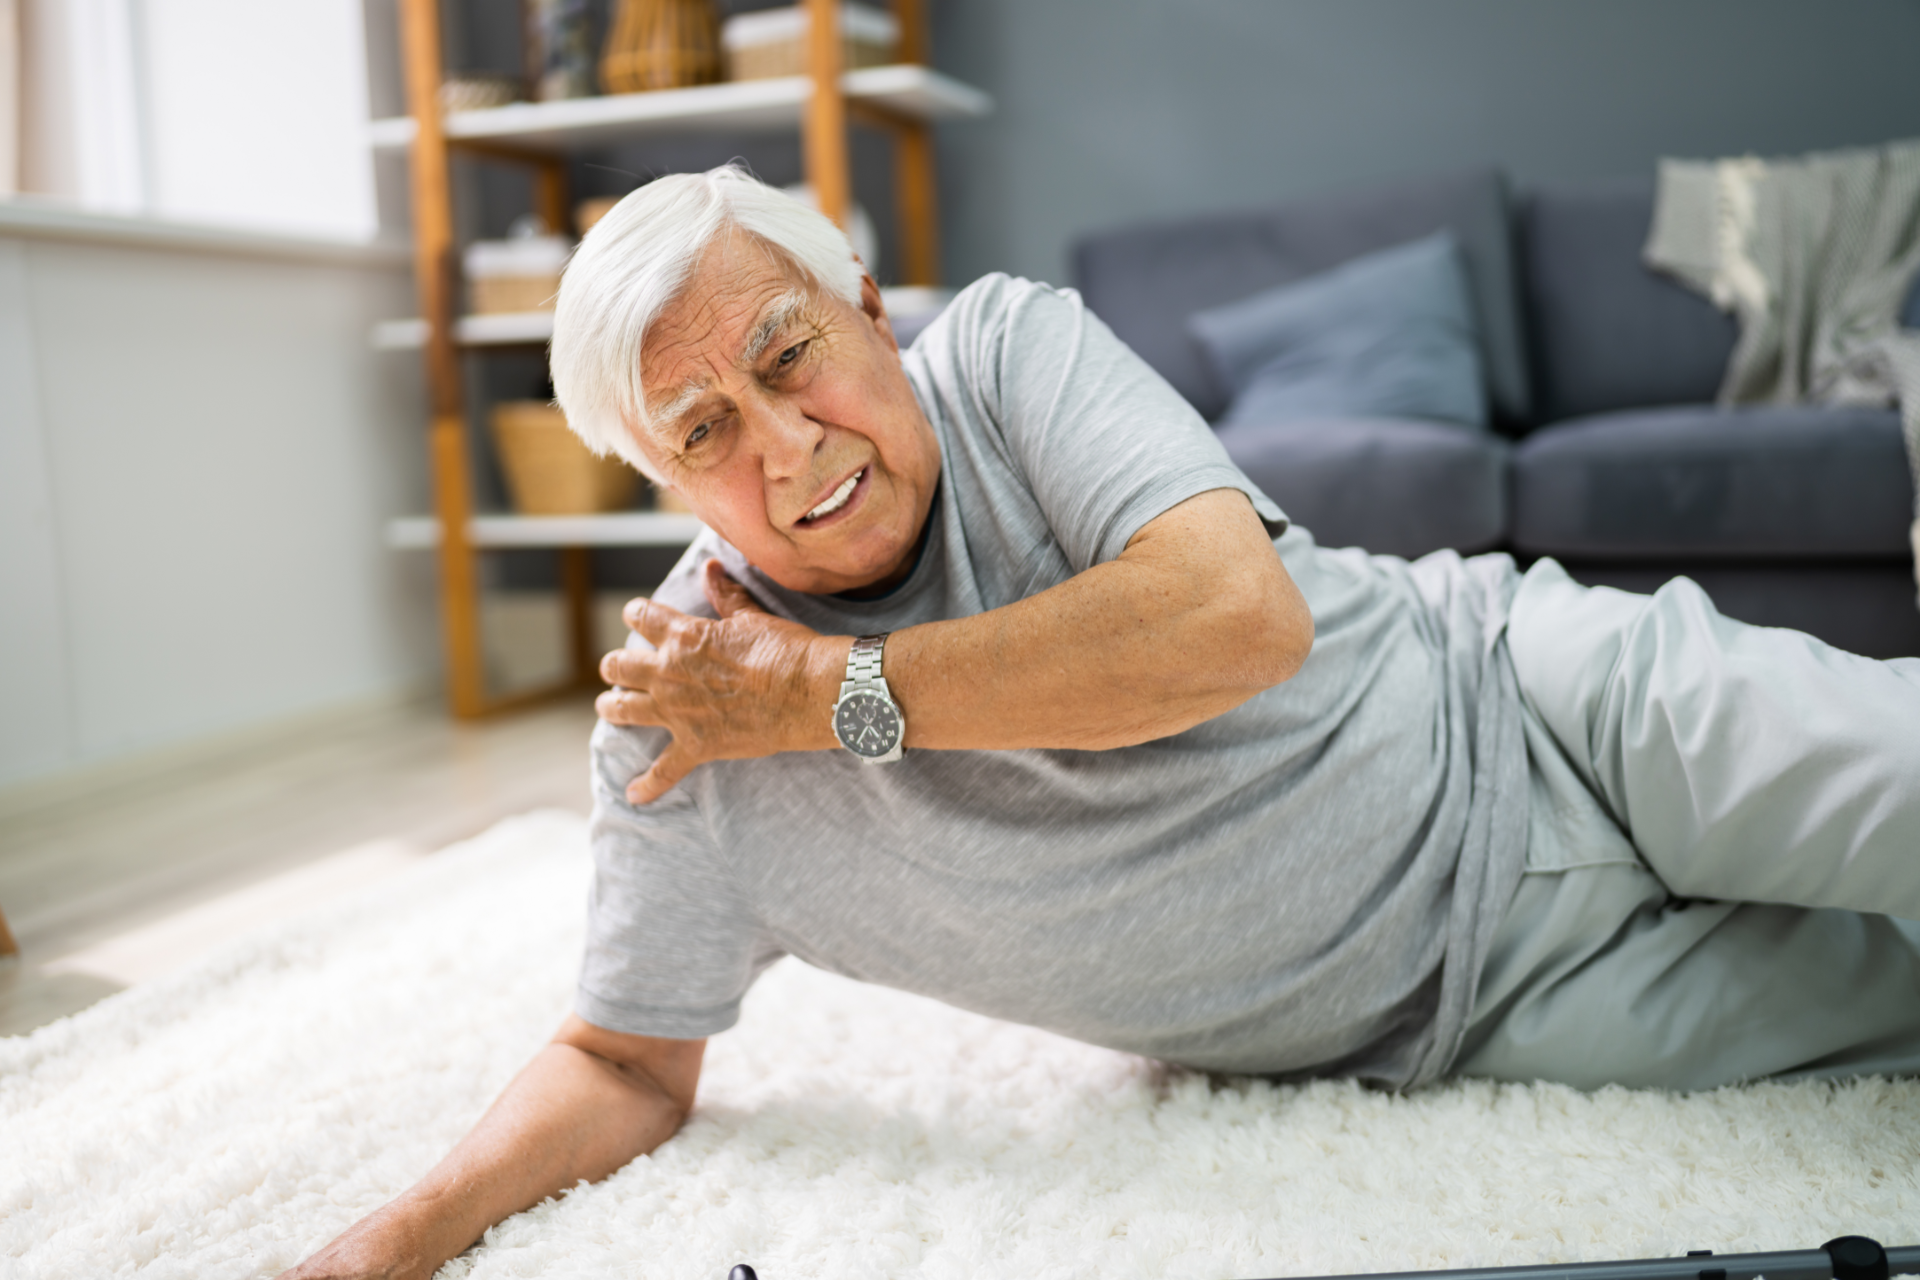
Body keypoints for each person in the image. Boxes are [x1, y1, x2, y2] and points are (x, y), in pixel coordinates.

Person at [282, 166, 1920, 1280]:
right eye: (710, 431)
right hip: (1469, 1004)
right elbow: (626, 1063)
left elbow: (1236, 618)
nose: (789, 445)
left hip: (1538, 700)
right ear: (664, 487)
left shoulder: (1004, 354)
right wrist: (396, 1239)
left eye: (796, 358)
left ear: (865, 299)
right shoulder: (689, 728)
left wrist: (839, 702)